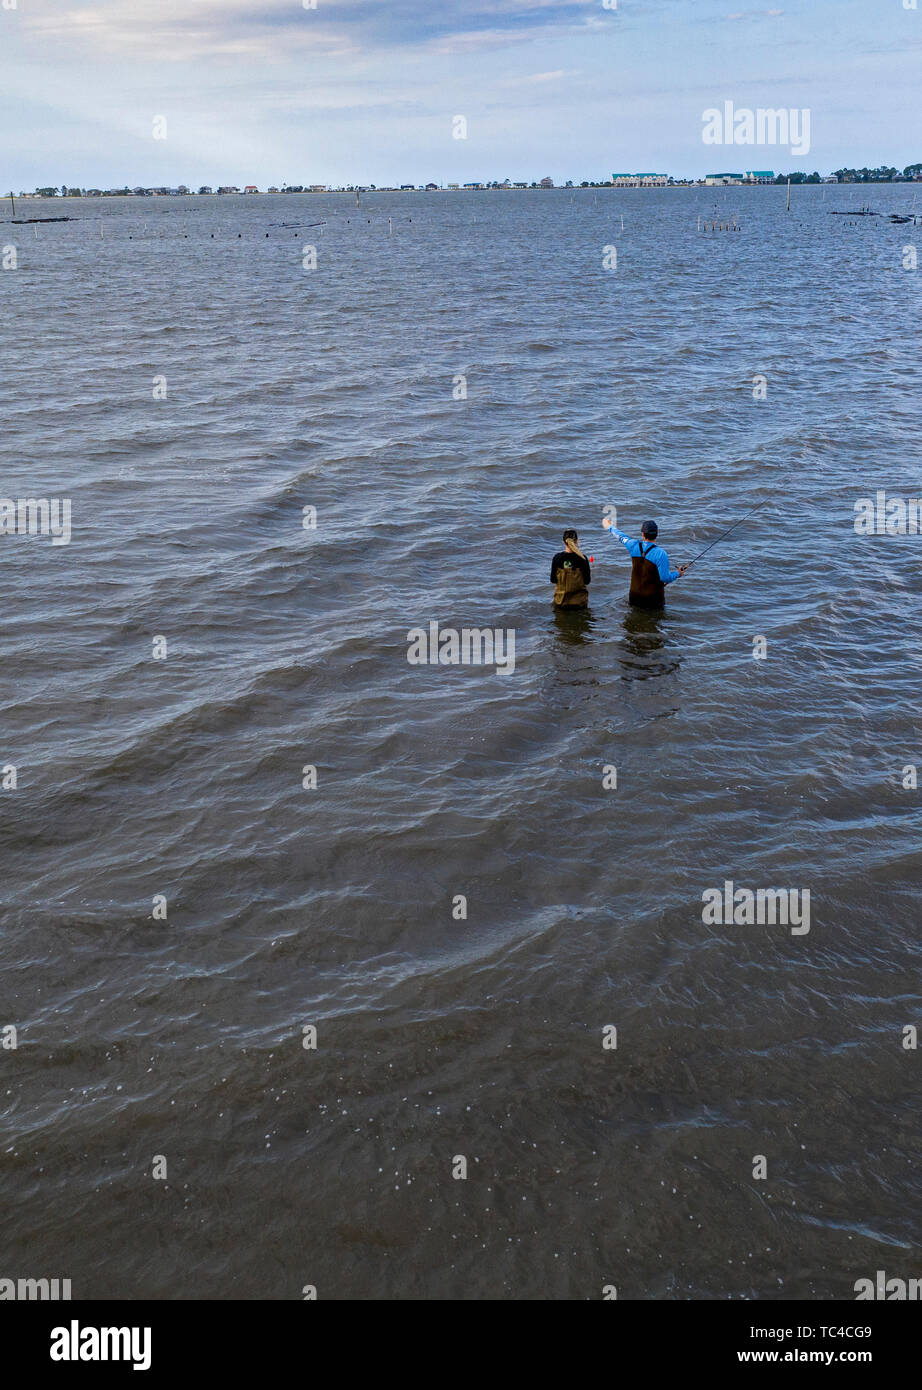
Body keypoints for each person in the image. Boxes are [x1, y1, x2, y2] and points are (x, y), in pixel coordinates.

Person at [602, 517, 687, 607]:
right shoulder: (661, 554)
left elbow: (620, 536)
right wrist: (678, 573)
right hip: (653, 601)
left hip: (634, 597)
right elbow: (665, 578)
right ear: (657, 534)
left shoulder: (632, 545)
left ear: (643, 534)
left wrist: (609, 526)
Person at [550, 529, 592, 608]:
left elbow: (553, 580)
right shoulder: (583, 559)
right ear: (577, 541)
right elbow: (587, 581)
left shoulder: (557, 558)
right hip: (579, 603)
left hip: (561, 602)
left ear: (563, 542)